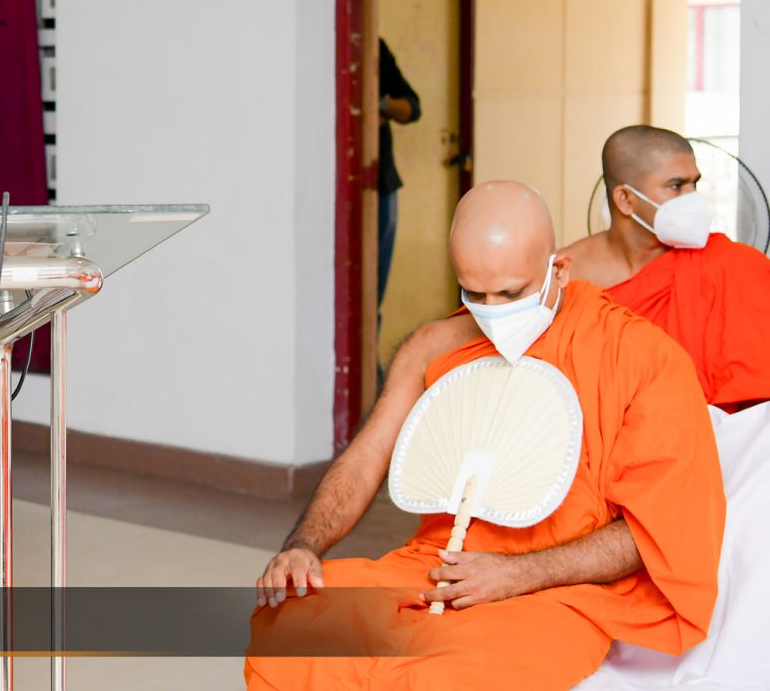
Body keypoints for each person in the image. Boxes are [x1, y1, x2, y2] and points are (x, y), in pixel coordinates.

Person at [246, 181, 724, 690]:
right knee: (289, 628)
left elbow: (650, 530)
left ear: (559, 270)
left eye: (512, 293)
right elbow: (367, 457)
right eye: (475, 294)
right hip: (432, 566)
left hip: (556, 591)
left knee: (444, 677)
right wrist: (303, 545)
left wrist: (516, 574)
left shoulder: (640, 357)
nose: (493, 311)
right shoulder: (434, 346)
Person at [561, 125, 770, 412]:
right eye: (676, 186)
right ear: (625, 199)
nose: (693, 198)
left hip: (716, 435)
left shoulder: (736, 266)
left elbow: (757, 407)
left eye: (694, 184)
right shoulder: (565, 274)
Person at [377, 38, 421, 310]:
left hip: (380, 183)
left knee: (372, 296)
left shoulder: (374, 47)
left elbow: (412, 108)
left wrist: (380, 105)